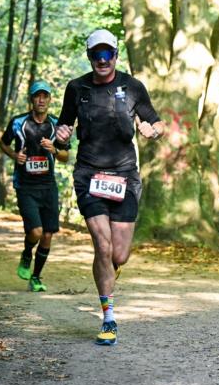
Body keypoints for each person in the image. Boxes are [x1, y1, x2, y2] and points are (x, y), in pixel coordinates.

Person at [54, 29, 165, 345]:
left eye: (107, 54)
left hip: (125, 176)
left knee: (119, 255)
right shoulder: (77, 88)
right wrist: (62, 135)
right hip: (89, 175)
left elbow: (157, 122)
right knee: (102, 247)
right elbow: (64, 125)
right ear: (89, 57)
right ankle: (108, 319)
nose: (102, 60)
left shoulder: (132, 87)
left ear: (116, 55)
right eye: (96, 55)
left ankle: (108, 273)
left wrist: (152, 131)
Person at [0, 80, 70, 292]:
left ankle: (36, 277)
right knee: (36, 232)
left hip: (48, 186)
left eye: (45, 96)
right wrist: (15, 155)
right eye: (37, 96)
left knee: (47, 235)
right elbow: (3, 143)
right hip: (25, 185)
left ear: (49, 99)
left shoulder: (57, 125)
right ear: (31, 99)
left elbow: (66, 156)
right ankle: (27, 253)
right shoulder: (18, 122)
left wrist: (54, 150)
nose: (41, 100)